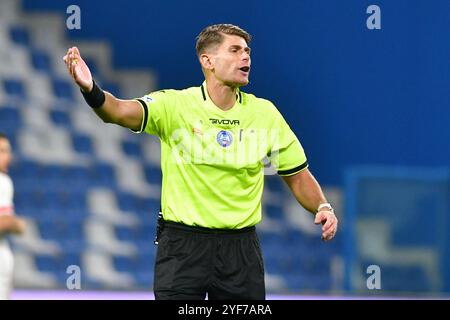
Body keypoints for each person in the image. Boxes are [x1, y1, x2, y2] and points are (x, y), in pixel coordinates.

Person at [63, 23, 338, 300]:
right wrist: (91, 89)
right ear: (208, 60)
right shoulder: (175, 106)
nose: (246, 57)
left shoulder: (265, 114)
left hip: (240, 250)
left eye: (247, 51)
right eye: (235, 50)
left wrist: (322, 206)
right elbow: (118, 112)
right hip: (183, 247)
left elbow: (297, 175)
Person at [0, 133, 26, 300]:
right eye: (1, 151)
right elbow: (5, 222)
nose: (7, 156)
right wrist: (18, 224)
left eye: (8, 151)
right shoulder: (3, 182)